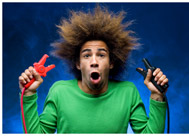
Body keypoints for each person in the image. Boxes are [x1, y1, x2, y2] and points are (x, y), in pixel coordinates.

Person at [19, 5, 168, 134]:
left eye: (101, 55)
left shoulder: (128, 92)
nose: (94, 62)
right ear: (78, 64)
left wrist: (156, 96)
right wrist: (29, 94)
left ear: (111, 63)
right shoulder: (59, 91)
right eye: (87, 55)